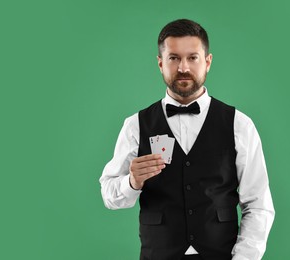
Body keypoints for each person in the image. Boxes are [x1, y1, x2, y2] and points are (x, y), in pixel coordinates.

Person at [99, 19, 275, 260]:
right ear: (160, 63)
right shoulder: (135, 125)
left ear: (208, 62)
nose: (183, 67)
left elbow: (258, 205)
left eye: (192, 57)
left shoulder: (239, 124)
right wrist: (132, 182)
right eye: (173, 58)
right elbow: (109, 195)